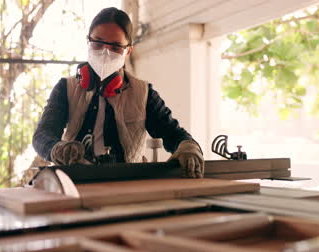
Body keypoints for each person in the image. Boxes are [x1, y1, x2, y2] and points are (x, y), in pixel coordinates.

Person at [32, 7, 204, 178]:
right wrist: (57, 149)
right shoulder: (66, 88)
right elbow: (42, 136)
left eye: (115, 47)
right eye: (98, 43)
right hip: (75, 183)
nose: (105, 52)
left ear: (128, 50)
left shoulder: (143, 94)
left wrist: (188, 148)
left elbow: (174, 134)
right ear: (88, 42)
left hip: (128, 185)